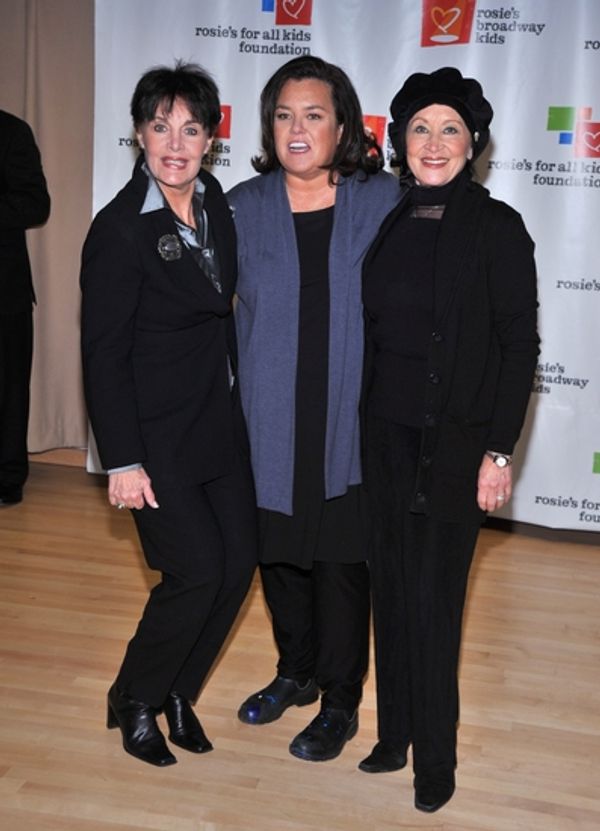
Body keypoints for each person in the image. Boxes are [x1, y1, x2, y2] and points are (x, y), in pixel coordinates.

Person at [359, 67, 539, 811]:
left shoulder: (496, 228)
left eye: (451, 130)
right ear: (401, 140)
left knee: (435, 603)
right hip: (384, 438)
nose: (434, 143)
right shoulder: (388, 214)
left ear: (475, 145)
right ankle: (393, 732)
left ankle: (437, 759)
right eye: (421, 128)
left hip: (457, 448)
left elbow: (517, 346)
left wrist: (500, 453)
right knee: (392, 591)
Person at [80, 62, 257, 767]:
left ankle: (181, 689)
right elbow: (101, 354)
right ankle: (134, 695)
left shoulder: (215, 199)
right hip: (154, 440)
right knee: (195, 573)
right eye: (160, 127)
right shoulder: (120, 230)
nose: (175, 143)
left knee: (239, 562)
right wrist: (121, 459)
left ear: (211, 139)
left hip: (217, 425)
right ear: (139, 134)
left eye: (190, 128)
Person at [228, 56, 400, 763]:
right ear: (270, 125)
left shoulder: (384, 198)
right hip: (267, 421)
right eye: (283, 114)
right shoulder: (238, 205)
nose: (297, 128)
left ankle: (339, 699)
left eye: (315, 114)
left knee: (338, 565)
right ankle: (294, 671)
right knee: (280, 561)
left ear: (343, 125)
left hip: (350, 423)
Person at [0, 110, 50, 506]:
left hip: (5, 290)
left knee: (8, 389)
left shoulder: (11, 131)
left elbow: (36, 205)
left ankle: (6, 478)